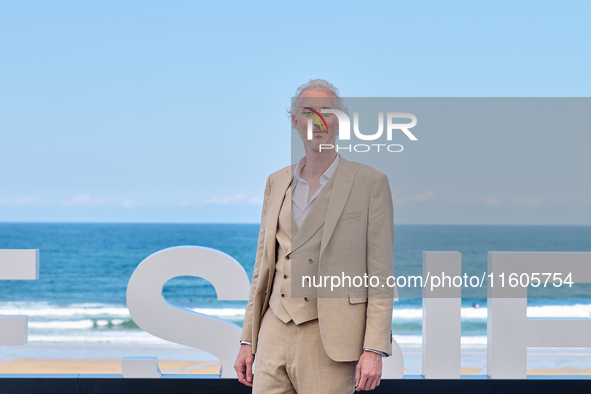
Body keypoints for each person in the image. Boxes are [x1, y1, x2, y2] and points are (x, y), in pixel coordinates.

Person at [234, 79, 395, 393]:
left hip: (332, 339)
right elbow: (262, 267)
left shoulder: (370, 183)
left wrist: (374, 347)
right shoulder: (276, 181)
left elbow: (380, 273)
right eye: (308, 112)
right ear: (295, 121)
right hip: (272, 333)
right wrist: (247, 339)